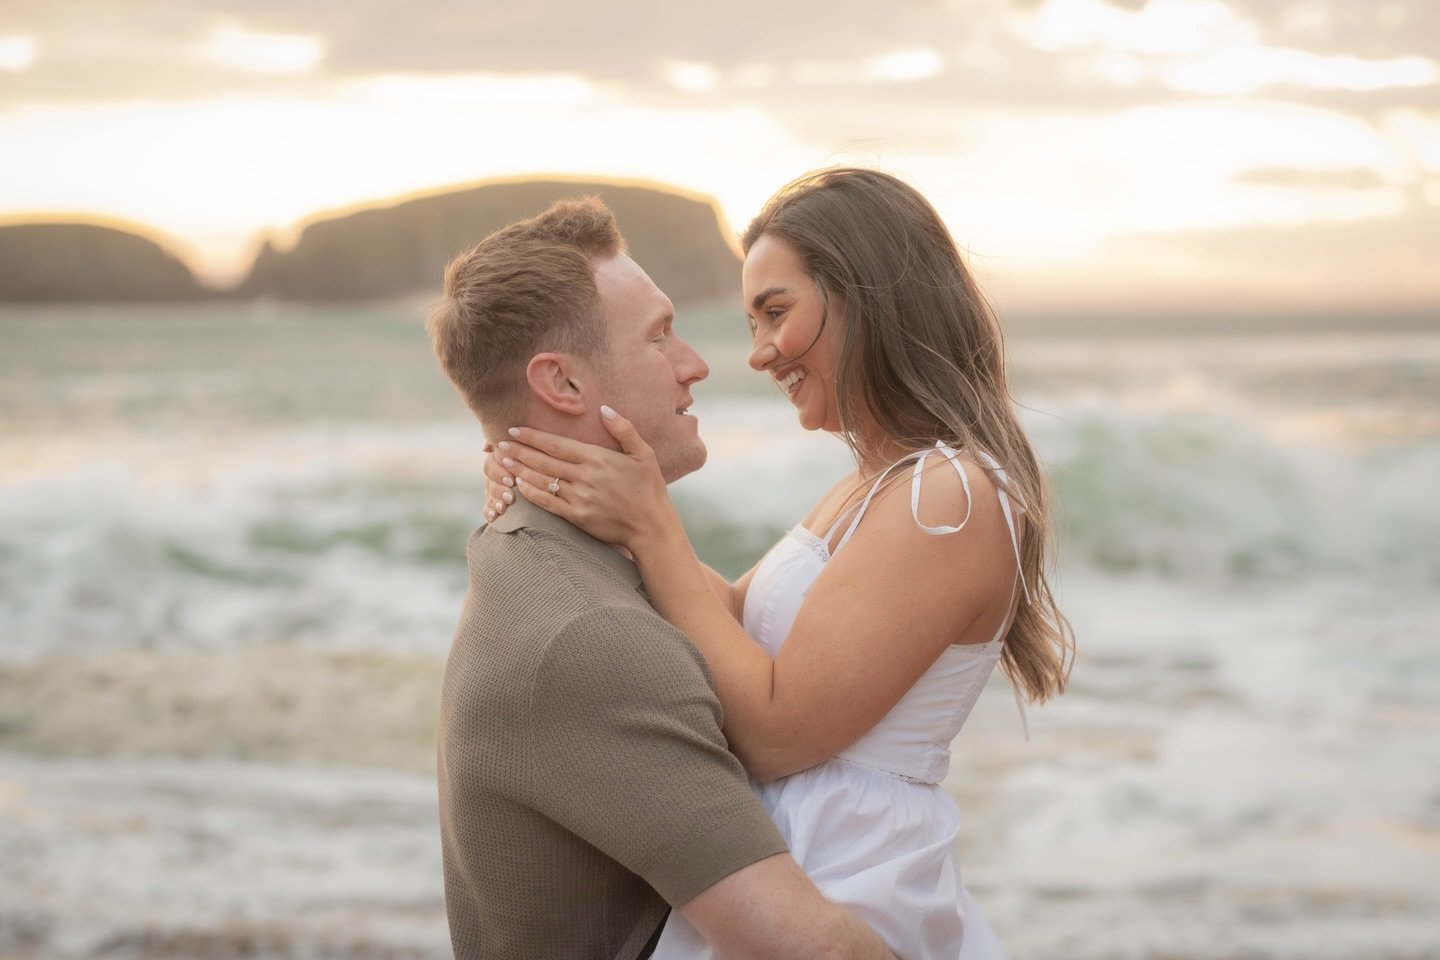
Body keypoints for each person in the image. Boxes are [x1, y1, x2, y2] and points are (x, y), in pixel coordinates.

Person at [485, 167, 1075, 959]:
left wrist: (655, 528)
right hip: (802, 862)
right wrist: (570, 488)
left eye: (775, 313)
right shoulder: (879, 486)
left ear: (862, 297)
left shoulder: (950, 497)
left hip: (852, 878)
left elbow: (776, 731)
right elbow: (742, 632)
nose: (759, 354)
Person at [426, 196, 896, 960]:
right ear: (564, 385)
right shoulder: (588, 634)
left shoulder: (539, 560)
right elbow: (810, 951)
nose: (697, 365)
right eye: (659, 337)